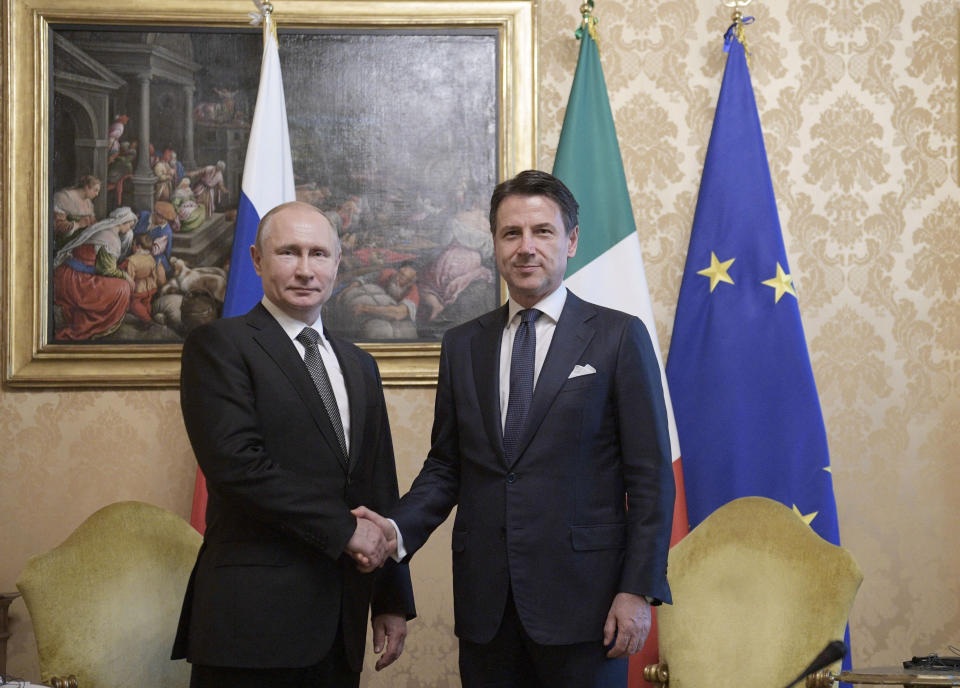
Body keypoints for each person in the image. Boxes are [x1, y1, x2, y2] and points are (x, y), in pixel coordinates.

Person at [356, 170, 675, 687]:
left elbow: (650, 477)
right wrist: (393, 531)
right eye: (511, 234)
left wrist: (637, 590)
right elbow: (446, 468)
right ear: (495, 246)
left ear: (571, 240)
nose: (526, 247)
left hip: (587, 608)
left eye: (542, 232)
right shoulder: (463, 345)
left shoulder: (617, 337)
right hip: (488, 610)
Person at [172, 201, 415, 688]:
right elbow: (238, 467)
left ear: (336, 265)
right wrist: (344, 530)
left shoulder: (360, 364)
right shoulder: (219, 346)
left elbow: (377, 486)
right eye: (289, 252)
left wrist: (391, 597)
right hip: (251, 626)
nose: (306, 269)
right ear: (257, 261)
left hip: (340, 623)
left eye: (319, 254)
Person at [52, 206, 137, 340]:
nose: (129, 230)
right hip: (79, 281)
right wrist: (125, 276)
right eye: (129, 226)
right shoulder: (111, 239)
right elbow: (106, 270)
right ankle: (99, 322)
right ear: (122, 222)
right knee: (123, 287)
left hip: (69, 273)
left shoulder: (105, 229)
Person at [52, 175, 100, 246]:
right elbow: (58, 226)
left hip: (82, 243)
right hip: (66, 245)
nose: (97, 194)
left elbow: (92, 222)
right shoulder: (64, 197)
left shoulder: (88, 203)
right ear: (86, 187)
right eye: (95, 190)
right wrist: (79, 224)